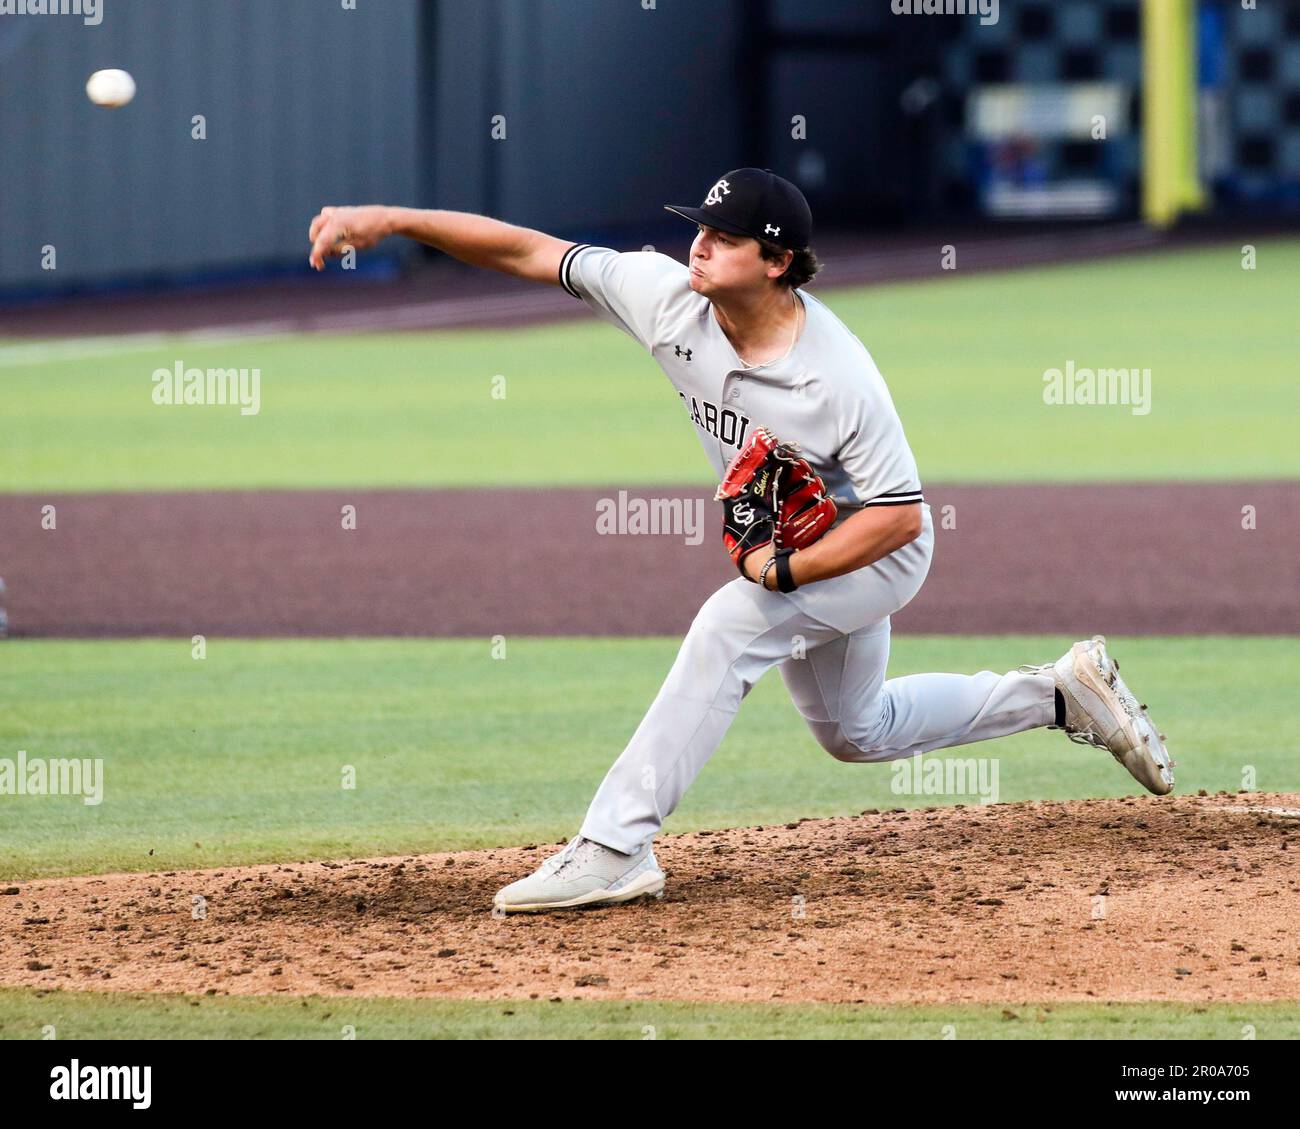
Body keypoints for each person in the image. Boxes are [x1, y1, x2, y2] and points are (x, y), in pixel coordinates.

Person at [307, 168, 1174, 915]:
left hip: (875, 552)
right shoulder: (666, 297)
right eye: (701, 229)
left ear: (776, 262)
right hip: (810, 545)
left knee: (732, 623)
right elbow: (532, 252)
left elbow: (901, 515)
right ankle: (1060, 694)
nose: (701, 247)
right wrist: (395, 221)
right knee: (855, 730)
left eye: (725, 237)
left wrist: (785, 567)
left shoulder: (838, 377)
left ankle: (615, 848)